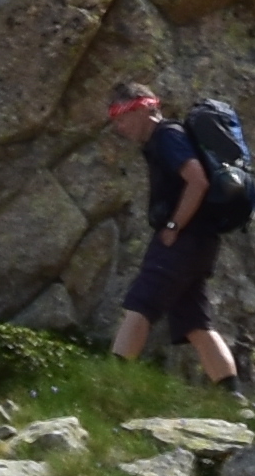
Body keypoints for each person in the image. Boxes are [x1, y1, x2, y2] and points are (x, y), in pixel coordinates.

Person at [103, 78, 243, 386]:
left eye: (122, 116)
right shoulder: (166, 139)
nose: (119, 126)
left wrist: (172, 226)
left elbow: (197, 180)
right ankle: (234, 398)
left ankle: (110, 385)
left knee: (140, 304)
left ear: (142, 108)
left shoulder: (167, 136)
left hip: (182, 239)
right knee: (195, 322)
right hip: (200, 241)